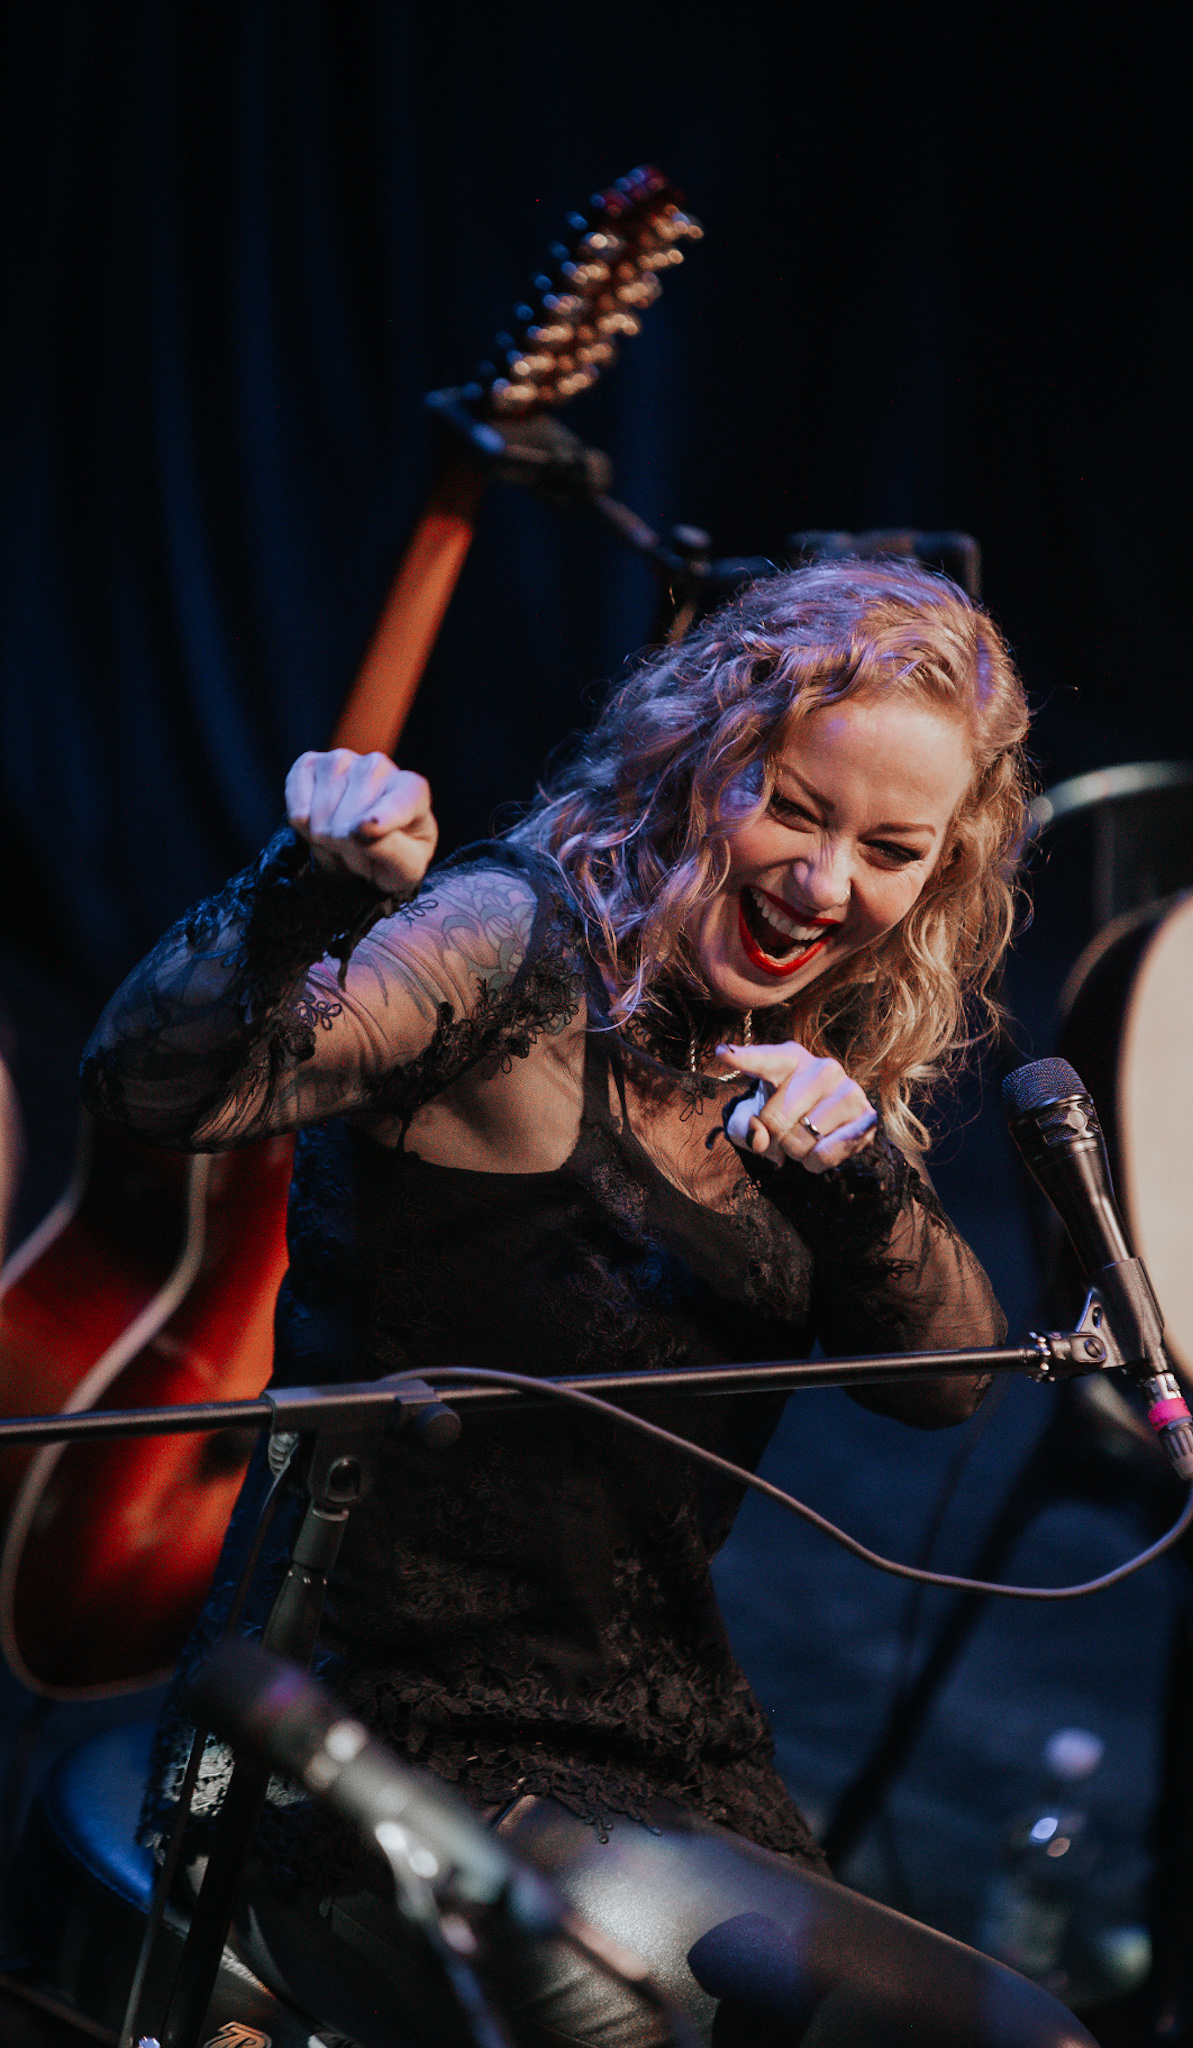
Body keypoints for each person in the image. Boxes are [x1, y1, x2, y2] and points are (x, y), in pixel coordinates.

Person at [82, 557, 1096, 2047]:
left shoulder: (810, 1048)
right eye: (793, 810)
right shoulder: (511, 944)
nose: (827, 887)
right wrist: (311, 887)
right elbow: (155, 1088)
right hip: (372, 1750)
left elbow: (945, 1385)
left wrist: (859, 1182)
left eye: (890, 850)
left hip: (657, 1754)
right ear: (694, 763)